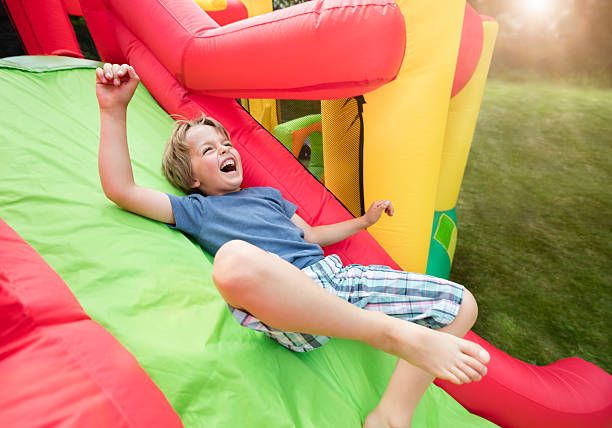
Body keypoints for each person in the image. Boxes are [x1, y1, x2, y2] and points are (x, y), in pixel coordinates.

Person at [96, 63, 490, 428]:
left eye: (225, 143)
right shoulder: (196, 209)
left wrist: (365, 221)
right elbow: (122, 190)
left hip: (336, 279)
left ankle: (391, 415)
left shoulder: (267, 195)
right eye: (208, 150)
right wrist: (114, 111)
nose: (225, 151)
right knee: (231, 260)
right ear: (191, 177)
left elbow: (311, 236)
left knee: (463, 305)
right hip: (289, 303)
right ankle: (389, 333)